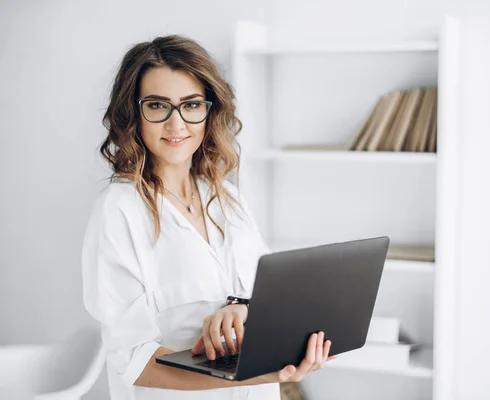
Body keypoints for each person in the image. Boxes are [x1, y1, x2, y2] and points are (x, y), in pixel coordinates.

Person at [81, 34, 333, 400]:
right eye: (157, 106)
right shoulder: (119, 212)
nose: (176, 123)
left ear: (209, 110)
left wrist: (240, 309)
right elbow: (135, 361)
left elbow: (268, 296)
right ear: (133, 114)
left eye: (191, 104)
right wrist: (251, 376)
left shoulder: (227, 198)